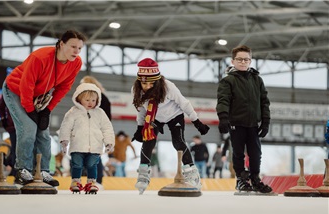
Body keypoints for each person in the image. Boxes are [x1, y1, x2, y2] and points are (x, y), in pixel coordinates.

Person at [2, 29, 87, 187]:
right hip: (15, 89)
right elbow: (26, 85)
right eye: (73, 46)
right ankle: (22, 170)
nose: (77, 51)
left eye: (80, 48)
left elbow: (63, 88)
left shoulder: (76, 63)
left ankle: (43, 171)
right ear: (61, 44)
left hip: (37, 97)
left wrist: (47, 110)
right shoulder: (40, 58)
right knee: (28, 128)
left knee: (44, 133)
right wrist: (29, 110)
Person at [131, 58, 210, 194]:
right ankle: (143, 174)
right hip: (154, 117)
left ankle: (191, 171)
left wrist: (197, 122)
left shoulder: (168, 87)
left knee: (178, 141)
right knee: (148, 141)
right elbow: (141, 110)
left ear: (157, 80)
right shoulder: (136, 90)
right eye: (144, 83)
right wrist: (139, 128)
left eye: (151, 83)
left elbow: (184, 104)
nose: (147, 86)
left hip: (174, 115)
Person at [216, 45, 273, 194]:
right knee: (238, 153)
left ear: (250, 61)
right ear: (233, 61)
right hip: (236, 123)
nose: (243, 62)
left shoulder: (257, 80)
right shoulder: (228, 81)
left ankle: (255, 179)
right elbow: (223, 101)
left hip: (254, 123)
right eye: (240, 59)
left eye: (246, 59)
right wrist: (223, 118)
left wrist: (265, 121)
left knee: (256, 153)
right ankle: (241, 180)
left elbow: (264, 101)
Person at [59, 83, 115, 194]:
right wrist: (64, 140)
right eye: (87, 100)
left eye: (93, 100)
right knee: (77, 164)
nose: (91, 103)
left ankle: (91, 183)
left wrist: (109, 142)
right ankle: (75, 181)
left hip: (95, 146)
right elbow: (66, 126)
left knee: (92, 165)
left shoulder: (100, 113)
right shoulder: (73, 112)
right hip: (77, 145)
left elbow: (107, 128)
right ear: (79, 99)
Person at [80, 75, 112, 185]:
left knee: (94, 155)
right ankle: (94, 179)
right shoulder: (102, 97)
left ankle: (97, 180)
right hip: (93, 130)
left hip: (95, 130)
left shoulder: (97, 99)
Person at [0, 99, 17, 176]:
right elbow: (1, 107)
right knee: (15, 149)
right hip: (13, 126)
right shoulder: (5, 144)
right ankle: (15, 172)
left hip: (23, 126)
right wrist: (3, 119)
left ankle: (16, 171)